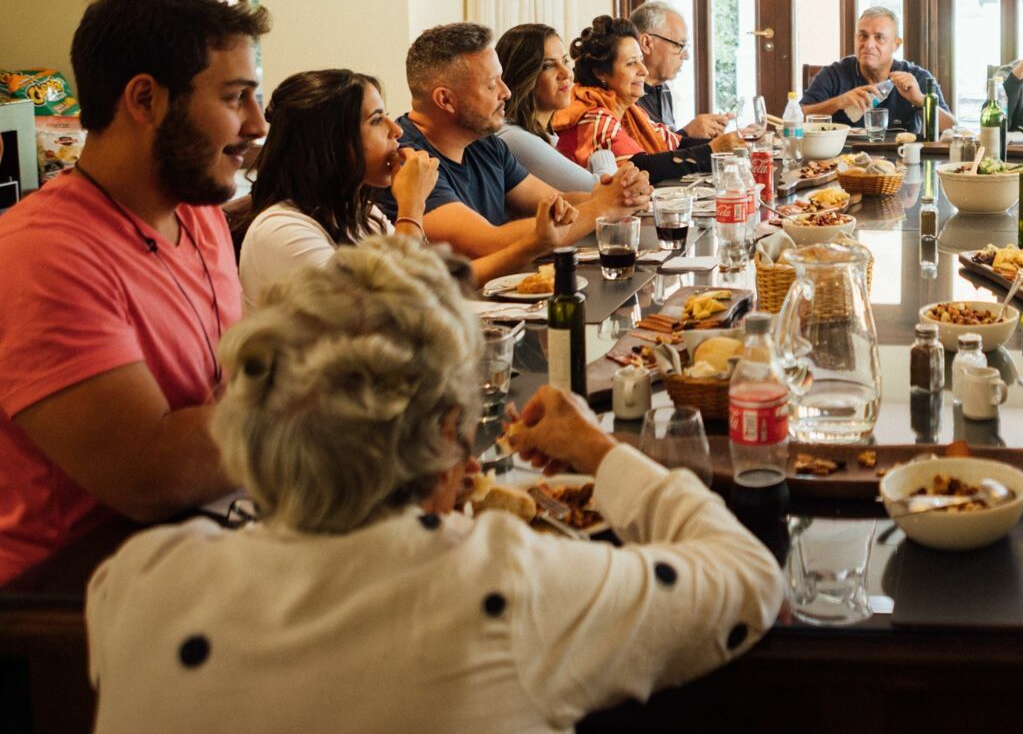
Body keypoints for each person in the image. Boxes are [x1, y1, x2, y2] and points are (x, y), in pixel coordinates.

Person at [85, 237, 784, 733]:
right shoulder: (509, 591)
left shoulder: (138, 583)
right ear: (449, 431)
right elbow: (749, 576)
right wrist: (601, 452)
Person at [0, 0, 267, 583]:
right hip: (66, 605)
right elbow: (155, 474)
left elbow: (232, 391)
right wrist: (322, 388)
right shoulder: (41, 254)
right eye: (235, 97)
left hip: (192, 548)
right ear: (144, 100)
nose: (257, 124)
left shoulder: (199, 216)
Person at [238, 69, 558, 312]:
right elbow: (388, 313)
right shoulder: (282, 231)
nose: (397, 131)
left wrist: (533, 244)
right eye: (378, 120)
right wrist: (411, 207)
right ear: (332, 143)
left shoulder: (363, 213)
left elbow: (436, 283)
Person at [374, 23, 647, 262]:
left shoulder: (486, 143)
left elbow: (558, 200)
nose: (506, 92)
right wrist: (603, 207)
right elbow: (483, 243)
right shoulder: (409, 160)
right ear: (445, 100)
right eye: (491, 85)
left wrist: (619, 196)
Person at [551, 15, 743, 183]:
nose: (643, 71)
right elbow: (640, 166)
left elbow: (675, 143)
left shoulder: (629, 110)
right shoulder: (593, 115)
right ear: (601, 72)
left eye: (641, 60)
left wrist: (733, 143)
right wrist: (711, 151)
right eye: (631, 64)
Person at [800, 5, 952, 136]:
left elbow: (952, 128)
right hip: (843, 163)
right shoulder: (834, 74)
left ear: (896, 45)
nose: (868, 44)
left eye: (879, 37)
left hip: (901, 162)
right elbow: (797, 118)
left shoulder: (917, 77)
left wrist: (919, 100)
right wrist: (839, 102)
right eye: (863, 36)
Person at [494, 24, 601, 191]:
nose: (566, 72)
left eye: (565, 61)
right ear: (522, 76)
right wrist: (602, 156)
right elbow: (599, 191)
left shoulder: (538, 133)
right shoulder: (514, 137)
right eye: (548, 66)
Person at [628, 0, 731, 143]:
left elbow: (668, 153)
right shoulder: (625, 94)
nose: (686, 56)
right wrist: (687, 133)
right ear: (646, 43)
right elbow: (643, 157)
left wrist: (714, 141)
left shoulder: (663, 90)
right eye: (678, 45)